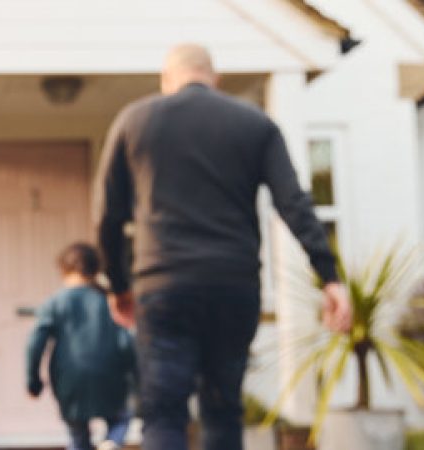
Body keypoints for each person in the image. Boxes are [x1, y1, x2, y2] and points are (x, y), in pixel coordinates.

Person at [95, 43, 353, 450]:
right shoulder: (255, 124)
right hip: (233, 287)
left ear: (167, 81)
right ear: (213, 78)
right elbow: (294, 204)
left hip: (163, 288)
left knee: (163, 412)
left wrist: (118, 284)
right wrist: (330, 276)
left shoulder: (135, 121)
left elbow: (108, 216)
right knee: (222, 409)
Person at [26, 243, 136, 450]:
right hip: (111, 373)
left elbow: (36, 342)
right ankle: (111, 443)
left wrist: (33, 381)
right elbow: (127, 340)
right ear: (95, 269)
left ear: (64, 270)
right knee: (121, 418)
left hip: (69, 378)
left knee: (78, 435)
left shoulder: (55, 302)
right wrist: (136, 375)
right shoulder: (109, 300)